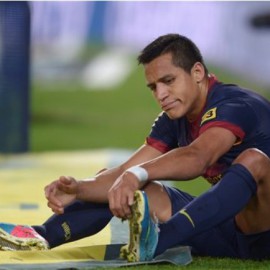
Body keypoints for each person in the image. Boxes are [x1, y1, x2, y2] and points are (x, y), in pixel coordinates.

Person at [1, 34, 270, 262]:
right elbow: (126, 171)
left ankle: (161, 240)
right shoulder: (174, 117)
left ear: (197, 73)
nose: (160, 94)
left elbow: (197, 157)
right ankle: (41, 236)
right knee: (122, 183)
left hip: (264, 235)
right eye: (153, 87)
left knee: (254, 160)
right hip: (224, 227)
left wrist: (137, 175)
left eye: (168, 81)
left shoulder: (235, 105)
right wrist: (80, 188)